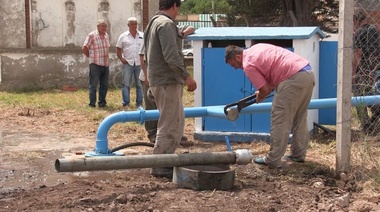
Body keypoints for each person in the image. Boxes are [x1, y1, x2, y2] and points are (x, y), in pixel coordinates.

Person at [225, 44, 315, 168]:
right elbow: (273, 70)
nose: (235, 68)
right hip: (307, 74)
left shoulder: (248, 64)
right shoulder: (256, 48)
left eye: (233, 65)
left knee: (280, 119)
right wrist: (263, 90)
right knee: (300, 116)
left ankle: (273, 159)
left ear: (238, 57)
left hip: (292, 78)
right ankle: (298, 154)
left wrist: (261, 94)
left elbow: (265, 91)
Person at [144, 0, 197, 178]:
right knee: (169, 125)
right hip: (167, 81)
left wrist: (180, 35)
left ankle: (164, 162)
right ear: (174, 6)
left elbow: (155, 52)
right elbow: (171, 55)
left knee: (176, 122)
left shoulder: (154, 22)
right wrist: (186, 76)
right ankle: (160, 166)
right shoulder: (166, 24)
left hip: (159, 81)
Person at [139, 25, 195, 145]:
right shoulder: (153, 35)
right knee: (152, 107)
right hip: (152, 77)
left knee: (171, 109)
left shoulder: (172, 30)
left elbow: (191, 27)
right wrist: (147, 77)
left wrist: (182, 34)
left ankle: (174, 136)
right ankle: (154, 134)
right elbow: (143, 58)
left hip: (166, 79)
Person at [352, 9, 380, 133]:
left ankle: (365, 125)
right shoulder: (374, 30)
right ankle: (375, 122)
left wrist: (353, 73)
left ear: (355, 20)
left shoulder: (360, 32)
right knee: (374, 95)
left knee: (359, 97)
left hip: (363, 69)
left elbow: (358, 53)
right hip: (375, 69)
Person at [116, 17, 144, 110]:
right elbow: (118, 49)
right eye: (132, 24)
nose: (134, 25)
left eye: (135, 23)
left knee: (139, 84)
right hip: (128, 63)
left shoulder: (142, 35)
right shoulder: (123, 36)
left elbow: (146, 48)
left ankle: (139, 103)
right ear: (128, 25)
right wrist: (121, 58)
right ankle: (126, 103)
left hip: (139, 63)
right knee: (126, 83)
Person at [82, 19, 110, 108]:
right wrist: (90, 57)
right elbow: (84, 47)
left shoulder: (106, 36)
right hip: (95, 64)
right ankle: (92, 104)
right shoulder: (92, 35)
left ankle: (102, 103)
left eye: (105, 26)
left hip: (105, 64)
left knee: (104, 85)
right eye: (102, 26)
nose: (104, 28)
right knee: (93, 85)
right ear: (98, 26)